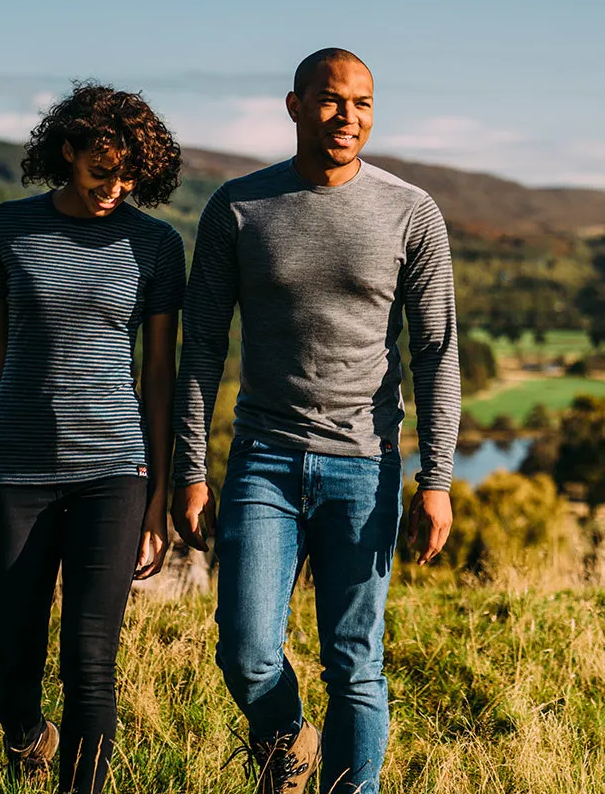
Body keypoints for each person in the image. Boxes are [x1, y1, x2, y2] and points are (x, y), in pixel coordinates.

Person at [172, 48, 459, 794]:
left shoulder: (410, 211)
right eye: (332, 101)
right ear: (295, 105)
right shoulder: (239, 206)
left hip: (364, 464)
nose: (348, 117)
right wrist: (192, 469)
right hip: (263, 456)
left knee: (354, 660)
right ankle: (288, 740)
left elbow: (436, 350)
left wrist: (438, 479)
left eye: (363, 103)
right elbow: (201, 345)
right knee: (244, 650)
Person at [0, 82, 185, 794]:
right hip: (17, 472)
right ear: (67, 151)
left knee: (90, 665)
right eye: (102, 171)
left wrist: (155, 497)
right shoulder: (6, 228)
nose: (114, 189)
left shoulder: (154, 244)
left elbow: (160, 374)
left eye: (129, 177)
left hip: (113, 471)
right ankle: (29, 736)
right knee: (9, 673)